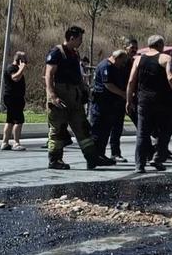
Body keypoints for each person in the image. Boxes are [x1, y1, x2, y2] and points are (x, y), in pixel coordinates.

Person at [45, 26, 116, 170]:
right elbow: (49, 75)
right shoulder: (56, 53)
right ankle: (55, 160)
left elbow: (78, 76)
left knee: (83, 129)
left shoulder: (74, 54)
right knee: (58, 130)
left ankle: (92, 158)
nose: (81, 42)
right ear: (72, 38)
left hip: (74, 97)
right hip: (60, 95)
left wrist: (84, 90)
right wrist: (52, 95)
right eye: (79, 39)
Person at [126, 35, 172, 173]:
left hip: (144, 101)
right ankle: (158, 158)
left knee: (142, 133)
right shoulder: (165, 58)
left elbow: (131, 81)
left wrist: (128, 100)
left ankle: (139, 165)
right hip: (163, 102)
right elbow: (171, 78)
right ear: (161, 45)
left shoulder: (138, 59)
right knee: (165, 131)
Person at [89, 50, 129, 160]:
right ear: (117, 58)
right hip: (101, 103)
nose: (122, 64)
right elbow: (108, 84)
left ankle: (101, 155)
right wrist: (122, 94)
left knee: (106, 130)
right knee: (98, 130)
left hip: (111, 104)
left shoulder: (116, 67)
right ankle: (94, 156)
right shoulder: (105, 66)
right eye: (122, 61)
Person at [106, 36, 138, 162]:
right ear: (125, 48)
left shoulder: (133, 62)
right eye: (132, 48)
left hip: (130, 97)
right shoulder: (118, 61)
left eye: (136, 48)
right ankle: (115, 153)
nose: (134, 50)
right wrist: (122, 94)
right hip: (118, 98)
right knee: (116, 127)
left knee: (140, 124)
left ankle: (149, 151)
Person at [1, 51, 28, 151]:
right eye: (25, 59)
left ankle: (5, 142)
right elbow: (15, 78)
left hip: (14, 97)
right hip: (13, 98)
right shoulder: (11, 68)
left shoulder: (15, 68)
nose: (26, 62)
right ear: (20, 60)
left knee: (10, 120)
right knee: (18, 121)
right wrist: (22, 68)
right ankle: (16, 143)